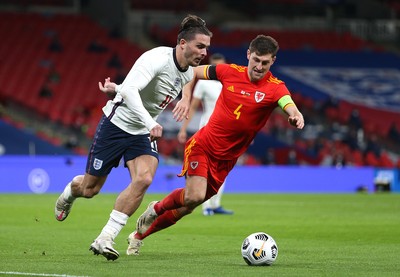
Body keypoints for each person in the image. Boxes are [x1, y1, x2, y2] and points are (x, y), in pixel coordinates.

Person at [54, 14, 212, 261]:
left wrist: (184, 98)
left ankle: (106, 237)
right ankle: (69, 193)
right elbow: (130, 89)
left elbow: (152, 87)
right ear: (182, 43)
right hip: (116, 125)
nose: (204, 52)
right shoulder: (156, 58)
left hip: (141, 133)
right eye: (199, 46)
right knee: (89, 189)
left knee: (145, 178)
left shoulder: (188, 74)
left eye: (206, 48)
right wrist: (147, 118)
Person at [128, 34, 305, 255]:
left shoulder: (275, 88)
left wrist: (296, 115)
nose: (259, 66)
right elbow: (191, 72)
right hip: (203, 145)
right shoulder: (228, 71)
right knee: (194, 196)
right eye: (256, 60)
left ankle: (138, 236)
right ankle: (156, 207)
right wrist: (185, 97)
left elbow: (288, 103)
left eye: (265, 62)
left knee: (188, 206)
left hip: (226, 160)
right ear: (248, 55)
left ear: (273, 61)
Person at [177, 53, 233, 216]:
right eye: (215, 66)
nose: (218, 69)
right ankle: (206, 206)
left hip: (227, 132)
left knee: (222, 169)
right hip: (207, 129)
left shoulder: (229, 83)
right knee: (206, 169)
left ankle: (215, 204)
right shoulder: (203, 82)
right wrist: (183, 128)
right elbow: (193, 106)